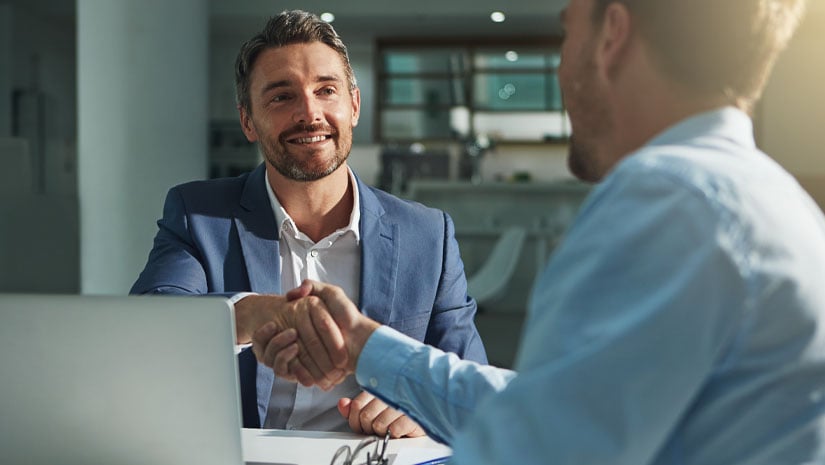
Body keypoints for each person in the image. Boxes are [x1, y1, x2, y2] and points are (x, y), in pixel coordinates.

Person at [253, 0, 825, 463]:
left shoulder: (666, 198)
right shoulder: (773, 201)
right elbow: (555, 409)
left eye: (565, 32)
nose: (560, 64)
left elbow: (531, 447)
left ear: (612, 35)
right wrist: (366, 347)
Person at [130, 10, 487, 436]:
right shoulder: (197, 214)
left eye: (326, 90)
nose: (309, 113)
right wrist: (256, 313)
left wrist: (424, 412)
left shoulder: (428, 236)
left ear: (353, 105)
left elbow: (472, 386)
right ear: (248, 120)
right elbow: (148, 325)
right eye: (282, 97)